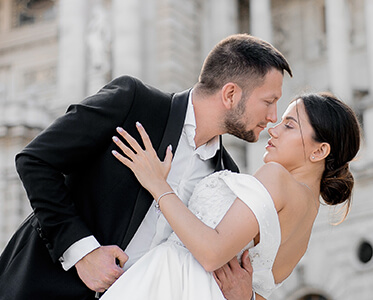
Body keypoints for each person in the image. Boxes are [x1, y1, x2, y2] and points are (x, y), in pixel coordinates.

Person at [0, 34, 292, 300]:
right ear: (230, 94)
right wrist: (82, 251)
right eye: (269, 101)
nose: (273, 116)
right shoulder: (134, 103)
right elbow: (36, 160)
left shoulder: (226, 177)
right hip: (43, 288)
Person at [100, 92, 361, 300]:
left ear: (319, 151)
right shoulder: (306, 224)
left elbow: (212, 252)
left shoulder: (276, 177)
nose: (274, 129)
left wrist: (158, 185)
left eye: (289, 126)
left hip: (173, 281)